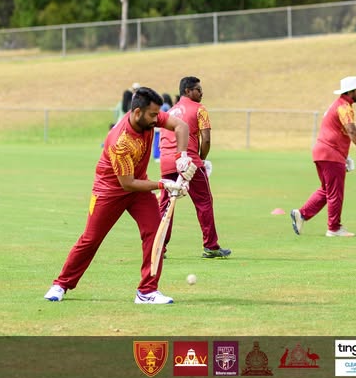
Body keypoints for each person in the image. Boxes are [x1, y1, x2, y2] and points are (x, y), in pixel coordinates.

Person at [43, 87, 198, 304]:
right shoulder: (121, 141)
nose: (157, 119)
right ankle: (61, 284)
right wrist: (164, 185)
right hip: (110, 190)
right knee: (91, 239)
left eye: (157, 114)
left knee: (155, 234)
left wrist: (181, 157)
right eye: (153, 115)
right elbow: (127, 183)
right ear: (137, 113)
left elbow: (180, 126)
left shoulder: (148, 117)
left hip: (139, 187)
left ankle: (146, 292)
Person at [290, 76, 356, 237]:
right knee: (336, 192)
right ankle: (334, 228)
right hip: (330, 153)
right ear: (351, 92)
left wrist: (345, 156)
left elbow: (335, 131)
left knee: (327, 190)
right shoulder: (344, 107)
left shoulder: (337, 105)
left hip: (323, 151)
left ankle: (302, 214)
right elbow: (351, 130)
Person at [158, 76, 231, 259]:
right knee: (204, 202)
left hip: (167, 161)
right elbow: (206, 139)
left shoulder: (171, 111)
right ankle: (211, 246)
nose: (201, 92)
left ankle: (158, 246)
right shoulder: (199, 109)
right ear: (188, 91)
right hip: (189, 161)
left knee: (166, 205)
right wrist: (201, 159)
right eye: (198, 89)